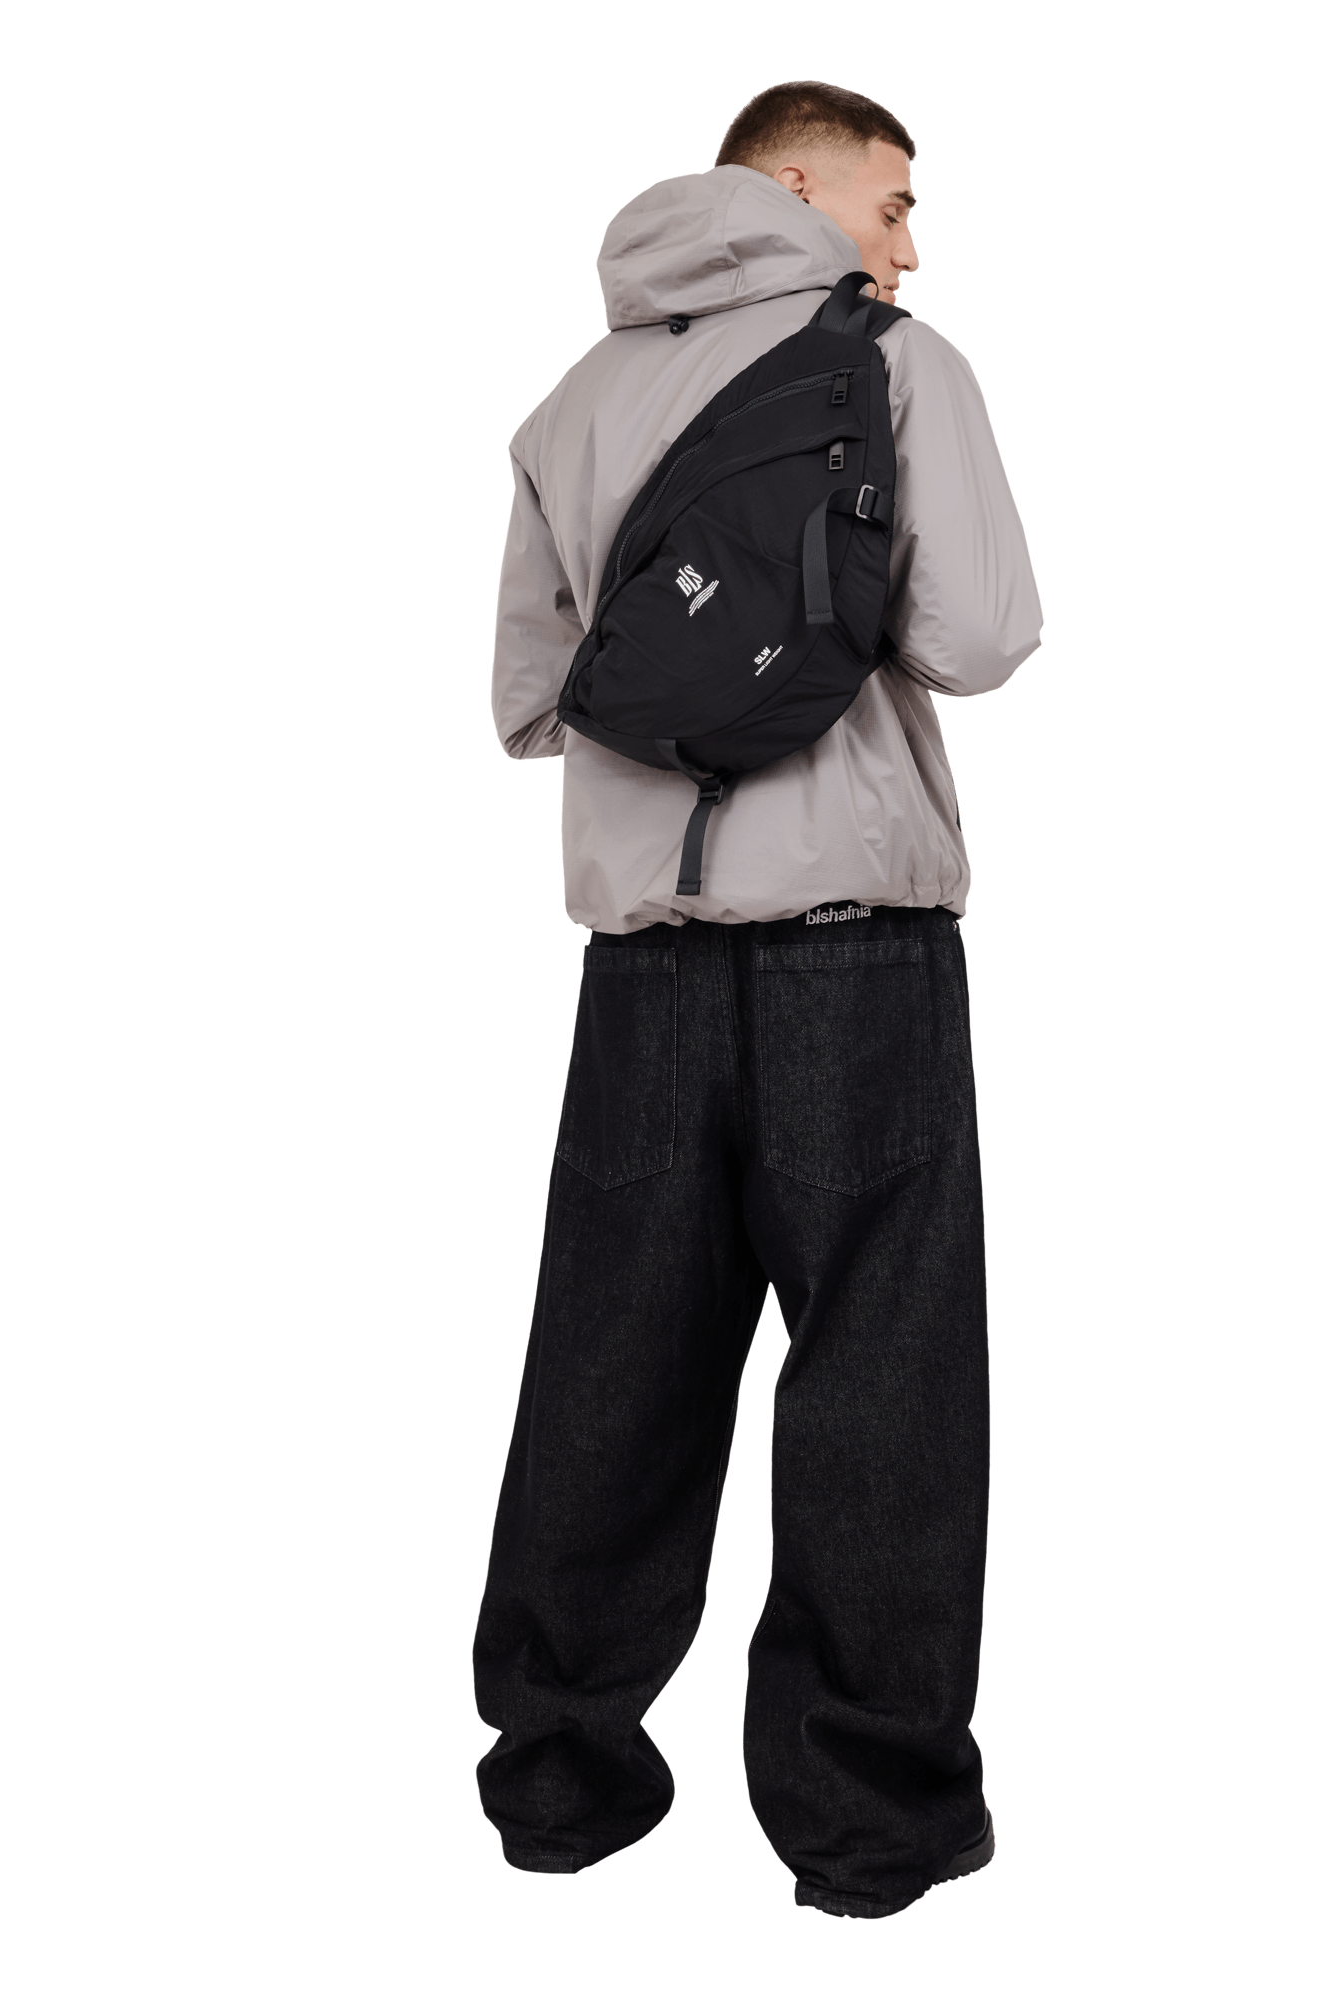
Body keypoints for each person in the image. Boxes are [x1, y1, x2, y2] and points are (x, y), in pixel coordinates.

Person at [473, 79, 1043, 1921]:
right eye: (894, 203)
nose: (910, 247)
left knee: (606, 1375)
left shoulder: (571, 398)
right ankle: (868, 1830)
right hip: (856, 954)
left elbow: (529, 703)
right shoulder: (899, 366)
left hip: (638, 965)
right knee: (882, 1385)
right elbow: (982, 641)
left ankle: (558, 1789)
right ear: (795, 188)